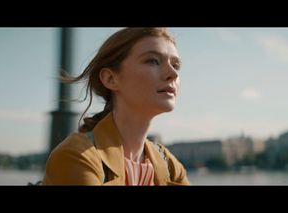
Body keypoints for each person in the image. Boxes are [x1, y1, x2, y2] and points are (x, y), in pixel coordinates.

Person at [42, 28, 190, 185]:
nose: (173, 73)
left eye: (176, 65)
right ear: (110, 78)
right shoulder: (76, 155)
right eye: (152, 61)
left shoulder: (168, 164)